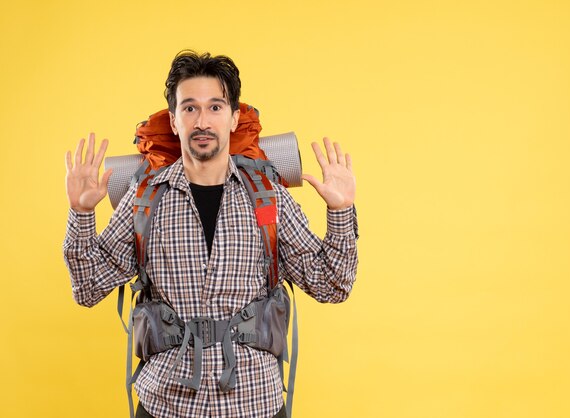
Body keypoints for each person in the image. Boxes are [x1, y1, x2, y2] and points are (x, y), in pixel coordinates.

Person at [63, 51, 358, 418]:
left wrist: (340, 210)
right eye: (189, 108)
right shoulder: (144, 200)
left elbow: (332, 284)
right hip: (166, 405)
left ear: (234, 117)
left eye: (215, 107)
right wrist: (81, 213)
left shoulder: (268, 197)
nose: (202, 121)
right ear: (173, 120)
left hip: (255, 403)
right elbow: (88, 288)